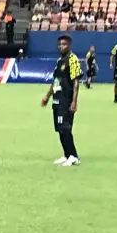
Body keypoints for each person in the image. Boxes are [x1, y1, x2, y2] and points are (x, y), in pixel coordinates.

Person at [43, 34, 82, 165]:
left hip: (67, 98)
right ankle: (67, 155)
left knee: (66, 127)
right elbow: (55, 81)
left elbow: (76, 81)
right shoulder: (59, 61)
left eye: (64, 44)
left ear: (69, 45)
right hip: (57, 98)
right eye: (59, 44)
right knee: (60, 128)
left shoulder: (73, 59)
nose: (61, 46)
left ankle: (73, 156)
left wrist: (74, 101)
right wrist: (47, 97)